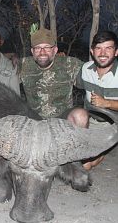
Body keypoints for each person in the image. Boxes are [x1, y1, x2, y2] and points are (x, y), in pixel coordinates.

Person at [19, 28, 98, 169]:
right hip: (33, 122)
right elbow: (2, 69)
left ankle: (76, 158)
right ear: (32, 51)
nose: (42, 52)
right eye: (37, 48)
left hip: (62, 122)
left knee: (81, 115)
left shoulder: (69, 64)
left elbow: (96, 73)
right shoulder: (23, 65)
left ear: (55, 50)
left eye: (47, 48)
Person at [76, 30, 118, 170]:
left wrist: (107, 103)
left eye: (108, 48)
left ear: (116, 52)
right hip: (90, 121)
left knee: (86, 165)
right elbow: (73, 83)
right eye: (98, 48)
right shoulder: (85, 69)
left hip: (112, 124)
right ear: (92, 52)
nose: (103, 53)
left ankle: (104, 147)